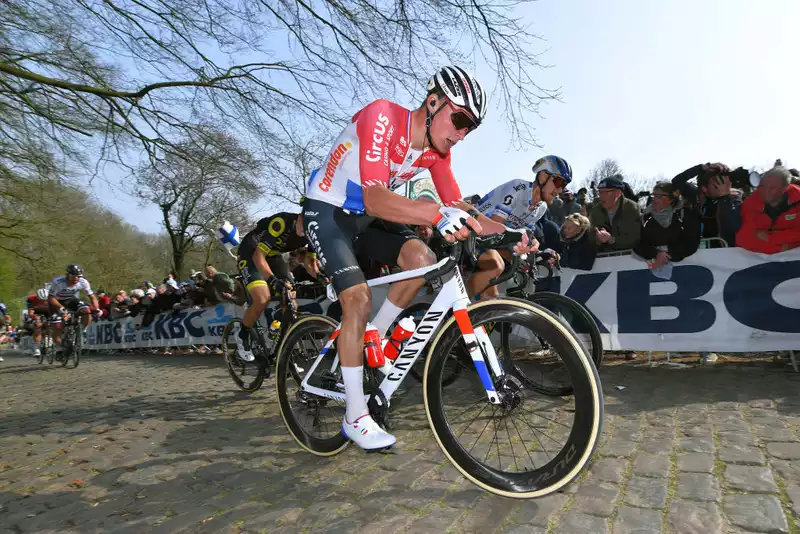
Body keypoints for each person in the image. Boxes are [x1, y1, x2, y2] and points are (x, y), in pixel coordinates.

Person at [302, 66, 530, 451]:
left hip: (369, 217)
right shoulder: (383, 117)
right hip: (329, 210)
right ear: (434, 101)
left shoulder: (435, 153)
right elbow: (376, 196)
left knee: (421, 258)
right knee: (355, 299)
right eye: (459, 120)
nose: (460, 134)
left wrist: (510, 234)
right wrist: (436, 214)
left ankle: (376, 330)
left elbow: (459, 206)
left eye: (469, 128)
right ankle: (355, 415)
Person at [470, 155, 573, 299]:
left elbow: (522, 240)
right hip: (474, 232)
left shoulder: (541, 208)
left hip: (491, 243)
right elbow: (495, 226)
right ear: (543, 176)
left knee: (493, 306)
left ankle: (467, 314)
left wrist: (539, 254)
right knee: (496, 264)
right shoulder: (518, 188)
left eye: (564, 186)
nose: (560, 190)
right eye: (558, 182)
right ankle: (457, 311)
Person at [233, 211, 321, 361]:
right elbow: (258, 256)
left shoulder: (313, 231)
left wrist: (323, 278)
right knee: (262, 298)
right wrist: (272, 280)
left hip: (273, 256)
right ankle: (242, 334)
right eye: (303, 223)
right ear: (300, 215)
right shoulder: (282, 222)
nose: (304, 230)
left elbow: (310, 263)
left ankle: (280, 348)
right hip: (252, 252)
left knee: (291, 300)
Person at [47, 264, 101, 351]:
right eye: (73, 276)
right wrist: (61, 307)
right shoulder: (58, 282)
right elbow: (50, 298)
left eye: (78, 276)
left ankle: (81, 332)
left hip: (71, 300)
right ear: (68, 275)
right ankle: (59, 346)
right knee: (57, 327)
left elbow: (92, 297)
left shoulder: (83, 282)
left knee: (86, 310)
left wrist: (97, 309)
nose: (76, 278)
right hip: (56, 302)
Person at [24, 288, 51, 358]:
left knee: (51, 324)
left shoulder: (51, 298)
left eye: (45, 300)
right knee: (37, 326)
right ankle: (36, 348)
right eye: (41, 300)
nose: (43, 302)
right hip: (36, 312)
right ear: (37, 297)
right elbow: (30, 313)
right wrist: (36, 318)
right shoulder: (31, 299)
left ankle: (49, 339)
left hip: (48, 312)